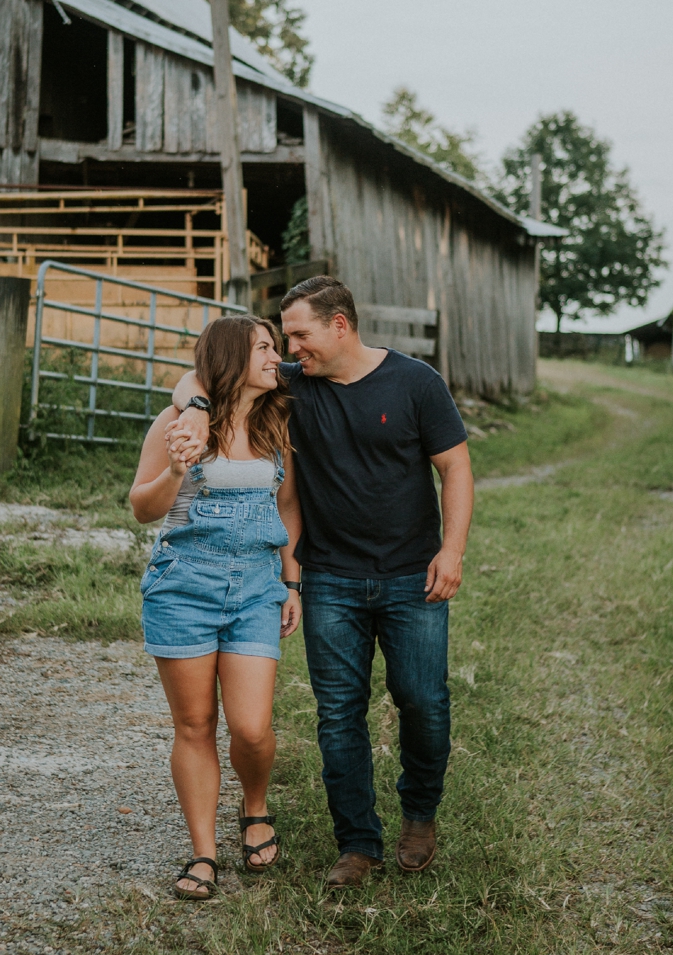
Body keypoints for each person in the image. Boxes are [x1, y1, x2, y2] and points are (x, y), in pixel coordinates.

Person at [165, 276, 473, 887]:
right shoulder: (295, 387)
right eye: (283, 339)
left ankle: (419, 813)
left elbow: (455, 466)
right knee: (338, 715)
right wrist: (197, 412)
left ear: (340, 325)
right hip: (330, 576)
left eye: (300, 334)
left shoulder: (417, 383)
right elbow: (200, 378)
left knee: (423, 702)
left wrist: (452, 549)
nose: (288, 350)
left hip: (413, 574)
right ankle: (358, 843)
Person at [129, 314, 303, 900]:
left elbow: (290, 507)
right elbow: (141, 509)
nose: (275, 356)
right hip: (183, 588)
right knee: (195, 724)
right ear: (231, 358)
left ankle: (255, 806)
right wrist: (176, 471)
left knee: (252, 728)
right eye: (263, 347)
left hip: (256, 588)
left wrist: (292, 582)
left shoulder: (279, 423)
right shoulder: (178, 423)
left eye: (275, 347)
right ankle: (203, 851)